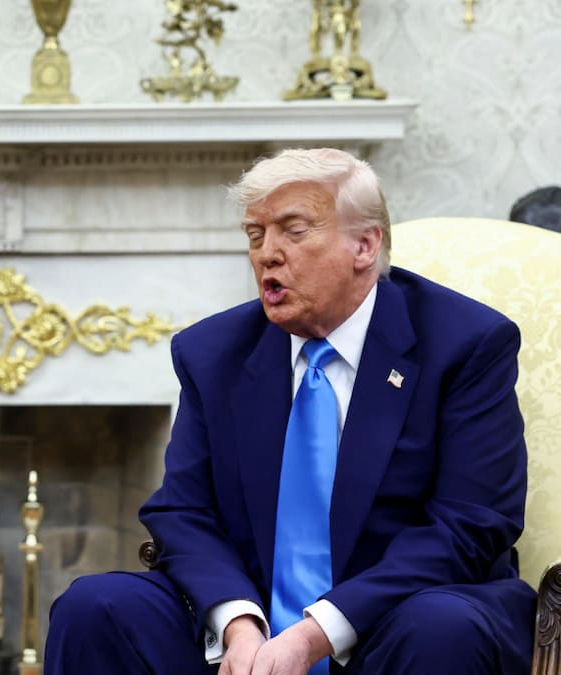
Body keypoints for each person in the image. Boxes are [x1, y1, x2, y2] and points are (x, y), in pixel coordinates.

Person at [44, 148, 535, 674]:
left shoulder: (464, 344)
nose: (266, 255)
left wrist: (316, 632)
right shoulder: (214, 353)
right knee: (94, 607)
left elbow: (470, 524)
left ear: (364, 245)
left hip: (396, 619)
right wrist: (237, 623)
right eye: (255, 235)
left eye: (292, 231)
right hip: (248, 627)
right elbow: (183, 511)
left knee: (443, 627)